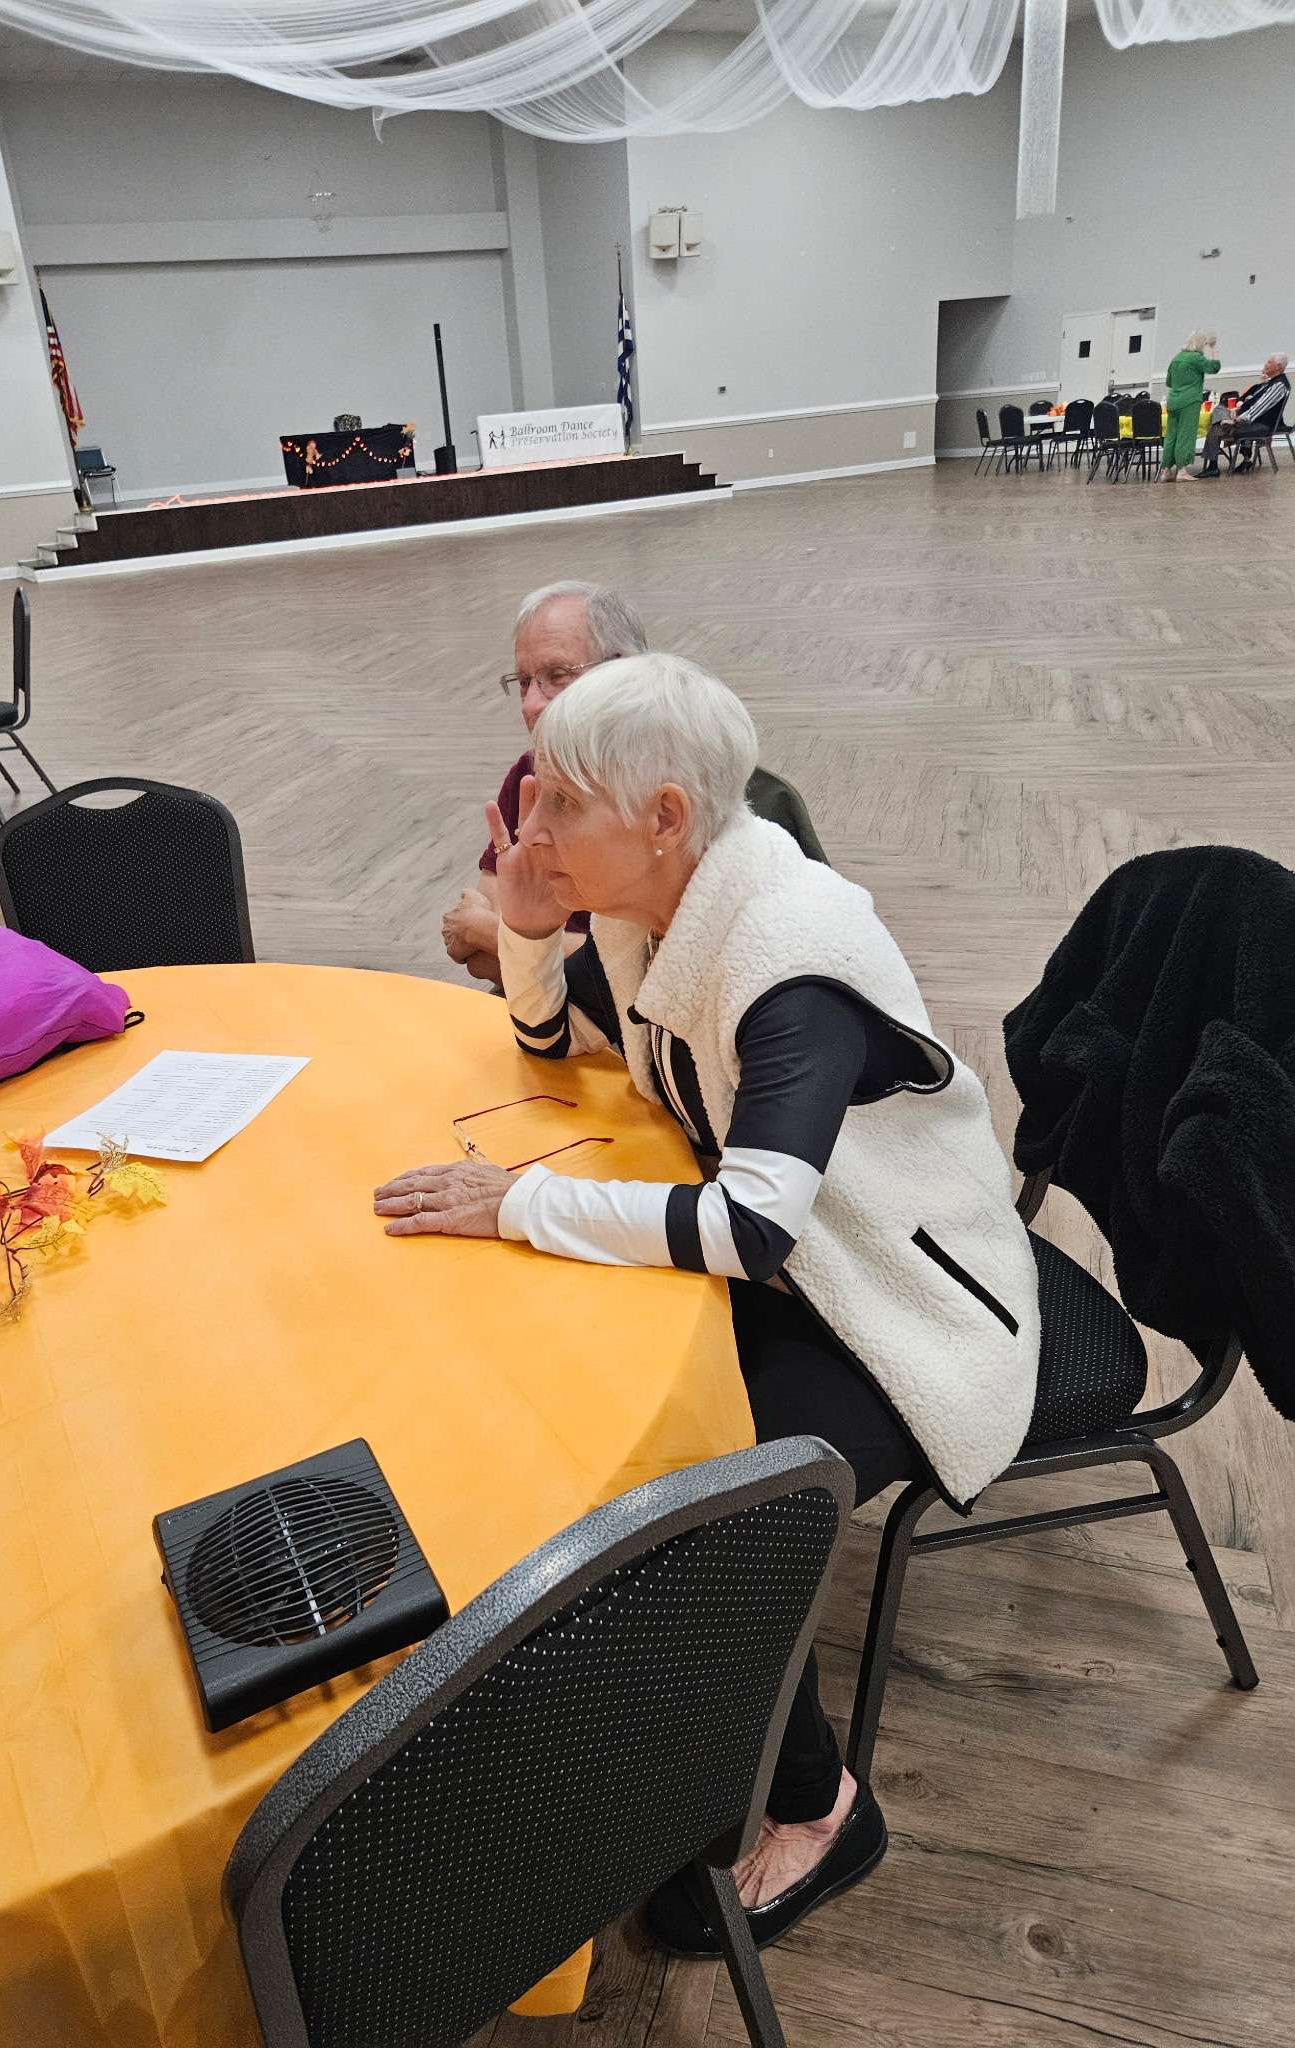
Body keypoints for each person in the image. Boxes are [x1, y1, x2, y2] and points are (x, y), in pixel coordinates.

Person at [378, 654, 1040, 1957]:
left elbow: (750, 1226)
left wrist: (518, 1200)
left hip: (907, 1315)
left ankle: (821, 1806)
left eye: (561, 801)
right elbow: (556, 1044)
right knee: (583, 1387)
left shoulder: (789, 957)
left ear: (666, 816)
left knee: (712, 1521)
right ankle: (666, 1717)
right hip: (812, 1275)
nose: (533, 823)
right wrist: (527, 930)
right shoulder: (666, 899)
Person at [440, 581, 646, 986]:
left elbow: (635, 974)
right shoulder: (529, 775)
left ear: (624, 672)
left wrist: (482, 929)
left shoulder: (659, 791)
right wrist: (523, 947)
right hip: (535, 1014)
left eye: (557, 675)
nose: (531, 704)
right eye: (523, 682)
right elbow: (481, 964)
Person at [1188, 354, 1289, 477]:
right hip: (1250, 421)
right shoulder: (1270, 383)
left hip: (1259, 425)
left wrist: (1237, 419)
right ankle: (1215, 463)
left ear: (1278, 366)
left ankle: (1213, 467)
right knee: (1220, 409)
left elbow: (1260, 408)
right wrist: (1237, 411)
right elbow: (1251, 401)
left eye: (1269, 362)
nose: (1265, 364)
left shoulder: (1278, 385)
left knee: (1215, 429)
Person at [1160, 331, 1221, 479]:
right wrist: (1213, 349)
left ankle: (1166, 470)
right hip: (1190, 401)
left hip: (1173, 401)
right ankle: (1182, 471)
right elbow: (1214, 367)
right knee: (1186, 435)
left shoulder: (1176, 358)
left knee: (1171, 436)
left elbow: (1169, 382)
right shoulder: (1197, 358)